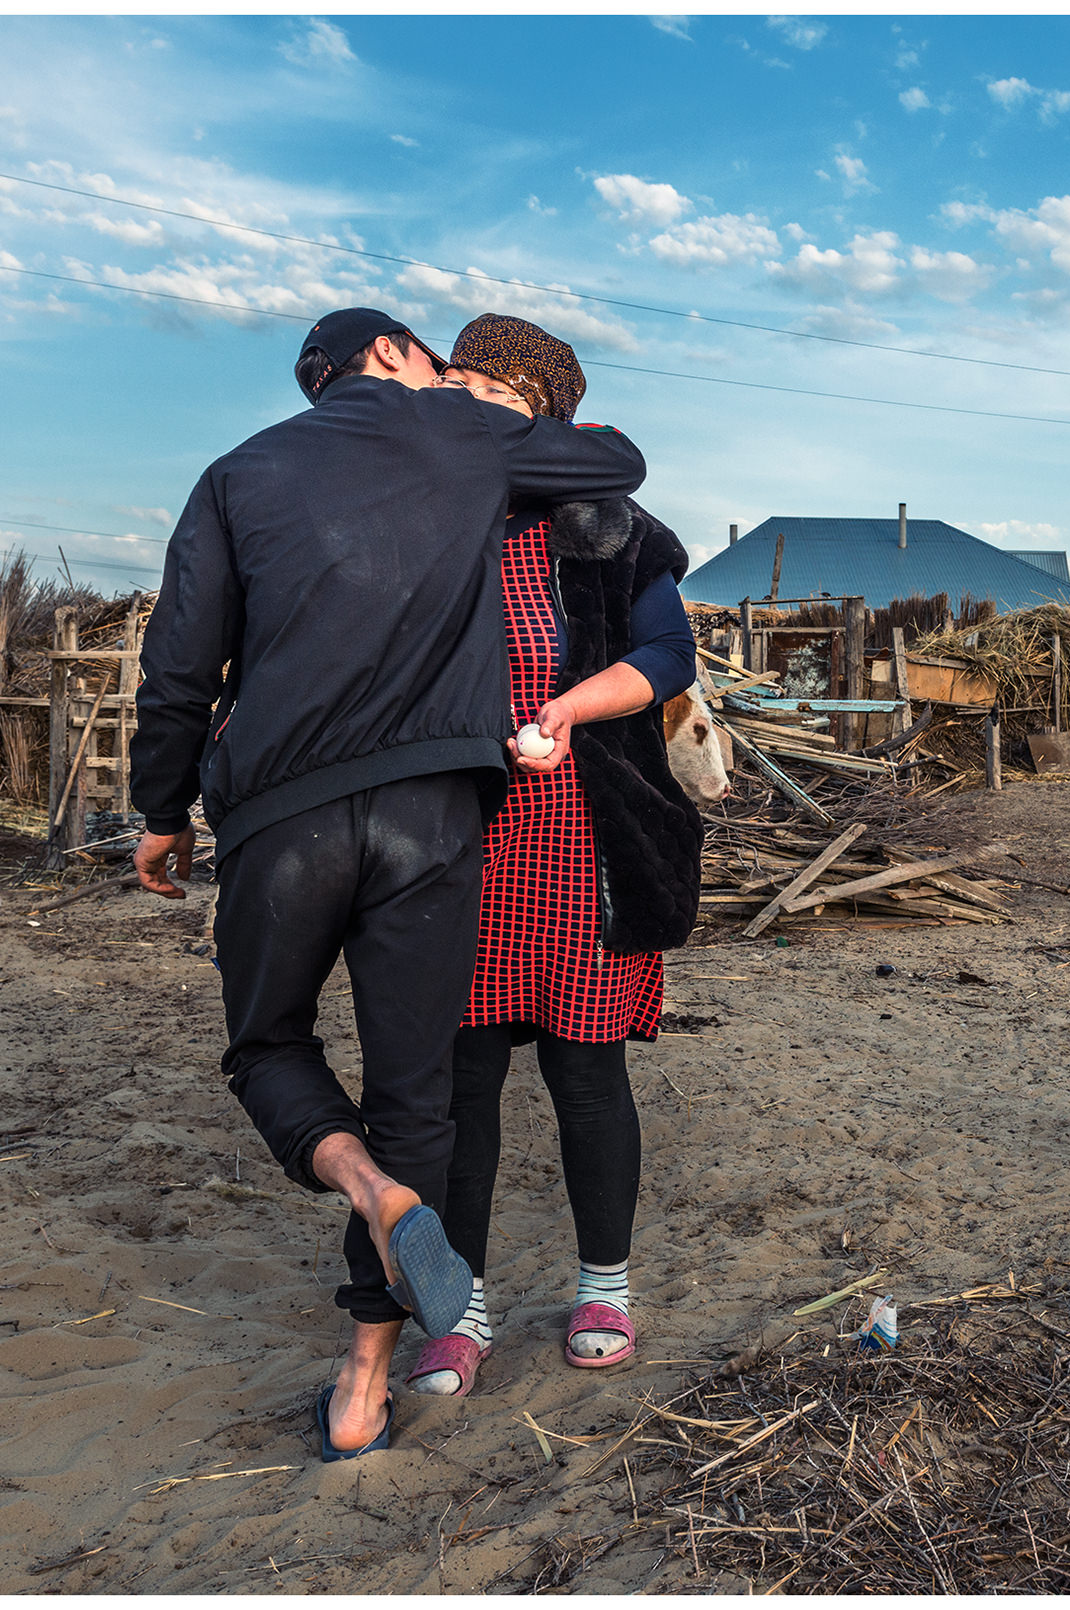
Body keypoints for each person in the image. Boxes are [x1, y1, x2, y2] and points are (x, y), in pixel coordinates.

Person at [128, 307, 649, 1459]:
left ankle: (366, 1185)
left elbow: (178, 664)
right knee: (419, 1088)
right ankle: (364, 1378)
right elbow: (613, 456)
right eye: (440, 364)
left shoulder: (237, 470)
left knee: (268, 1045)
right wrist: (467, 413)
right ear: (400, 360)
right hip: (432, 813)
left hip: (284, 813)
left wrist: (160, 813)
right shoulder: (459, 440)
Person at [401, 313, 705, 1399]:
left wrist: (569, 708)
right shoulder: (430, 512)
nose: (472, 394)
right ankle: (462, 1305)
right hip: (458, 840)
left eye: (500, 384)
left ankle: (605, 1287)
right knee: (461, 1081)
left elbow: (665, 654)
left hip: (584, 836)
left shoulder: (609, 527)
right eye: (462, 375)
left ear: (546, 407)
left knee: (586, 1070)